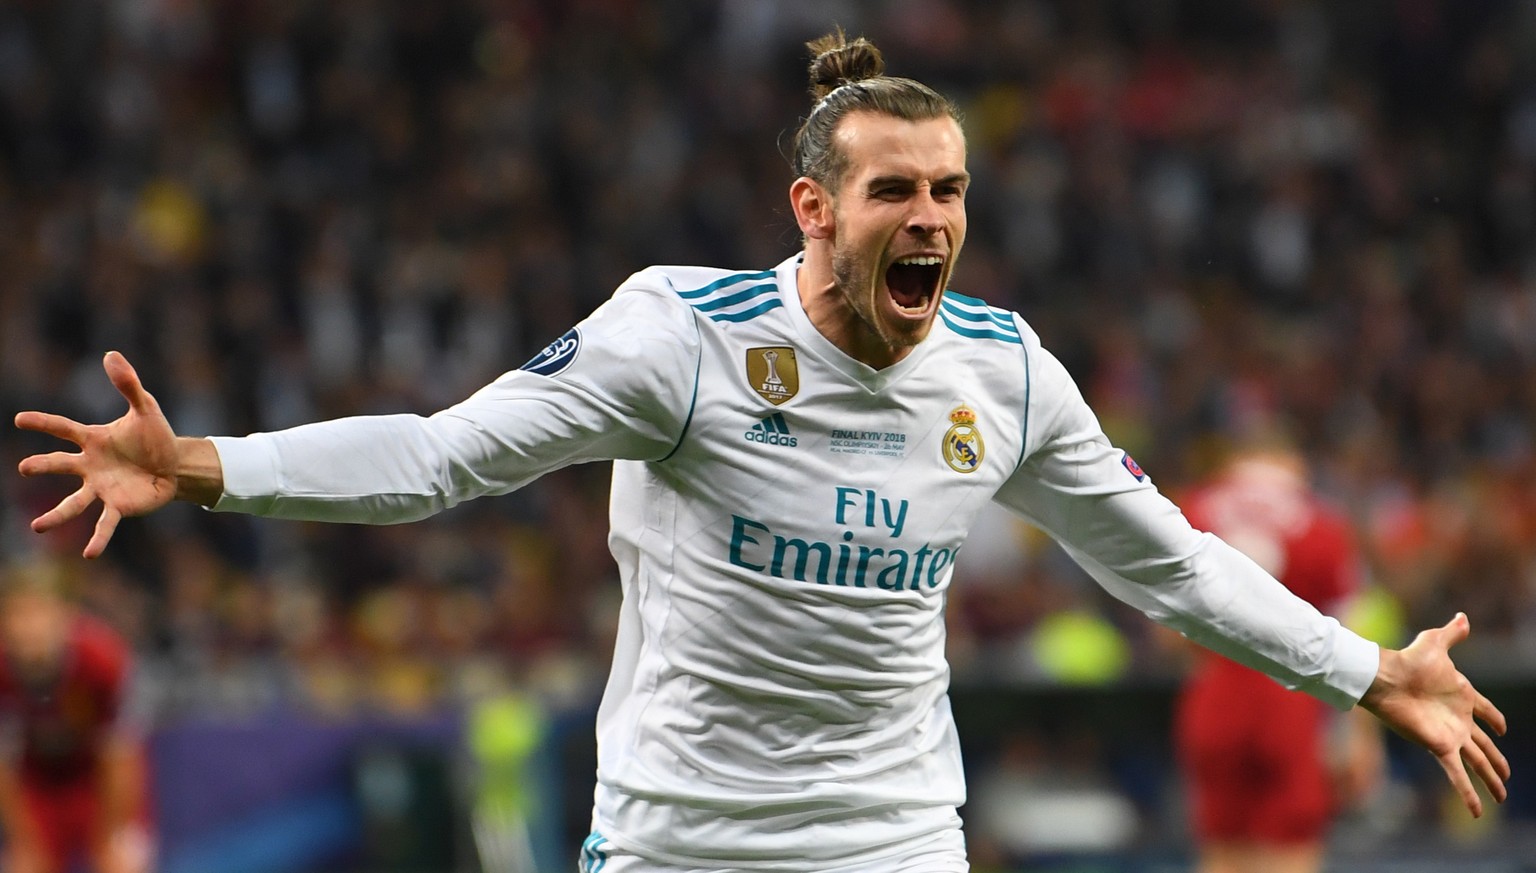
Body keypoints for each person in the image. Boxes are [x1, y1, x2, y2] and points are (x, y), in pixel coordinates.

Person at [13, 28, 1507, 873]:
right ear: (812, 209)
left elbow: (1172, 567)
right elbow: (441, 456)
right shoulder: (682, 338)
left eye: (951, 190)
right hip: (681, 845)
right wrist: (206, 463)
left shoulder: (1007, 370)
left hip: (895, 843)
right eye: (893, 192)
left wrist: (1366, 673)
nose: (930, 218)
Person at [1171, 442, 1385, 873]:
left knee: (1221, 849)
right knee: (1292, 848)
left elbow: (1169, 631)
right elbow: (1347, 631)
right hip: (1289, 695)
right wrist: (1360, 734)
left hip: (1215, 690)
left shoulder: (1194, 508)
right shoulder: (1319, 522)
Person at [0, 560, 153, 873]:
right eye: (17, 614)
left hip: (97, 779)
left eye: (38, 612)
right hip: (38, 784)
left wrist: (112, 835)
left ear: (65, 615)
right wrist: (26, 841)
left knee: (123, 863)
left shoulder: (103, 660)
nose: (28, 628)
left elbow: (121, 754)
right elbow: (3, 764)